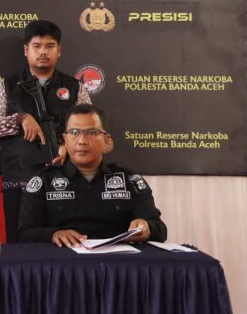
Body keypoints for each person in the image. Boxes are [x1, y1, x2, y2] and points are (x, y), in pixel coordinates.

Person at [0, 19, 91, 243]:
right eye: (37, 46)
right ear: (26, 50)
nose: (43, 52)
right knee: (20, 246)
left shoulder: (75, 87)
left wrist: (68, 148)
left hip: (65, 180)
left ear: (59, 50)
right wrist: (20, 119)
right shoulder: (7, 85)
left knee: (67, 245)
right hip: (19, 181)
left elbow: (89, 129)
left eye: (50, 46)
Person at [19, 104, 167, 246]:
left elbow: (160, 230)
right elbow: (25, 234)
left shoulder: (130, 181)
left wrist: (147, 227)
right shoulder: (44, 181)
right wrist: (53, 235)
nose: (82, 141)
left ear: (107, 141)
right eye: (74, 132)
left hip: (116, 265)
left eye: (91, 132)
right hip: (64, 265)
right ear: (65, 140)